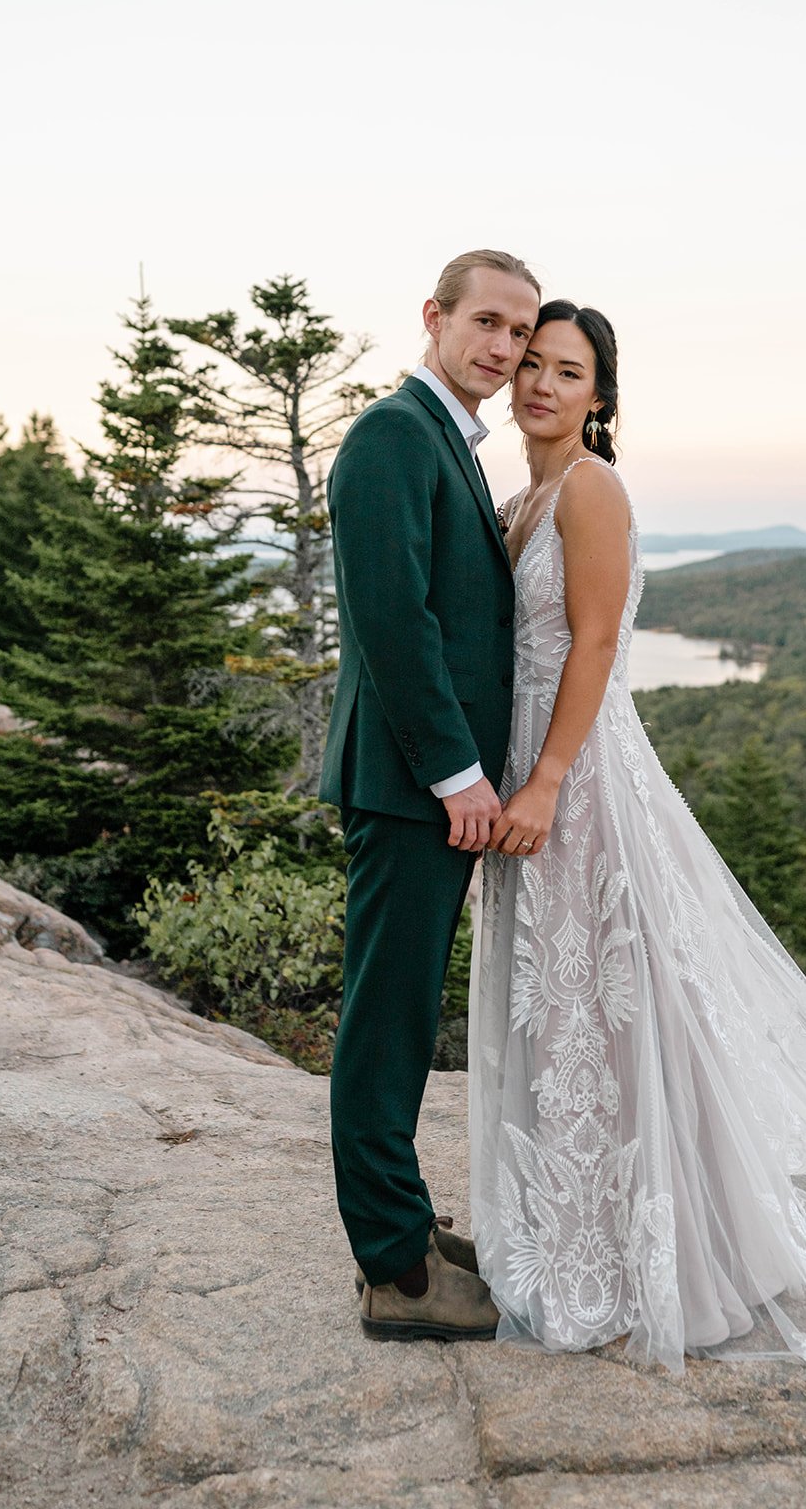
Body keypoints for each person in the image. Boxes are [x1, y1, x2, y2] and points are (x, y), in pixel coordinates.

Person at [469, 299, 806, 1435]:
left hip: (576, 783)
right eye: (530, 364)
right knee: (571, 1013)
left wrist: (548, 779)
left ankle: (652, 1265)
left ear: (599, 398)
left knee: (609, 1010)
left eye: (567, 372)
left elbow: (601, 643)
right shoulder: (518, 498)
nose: (540, 385)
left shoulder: (592, 490)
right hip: (529, 772)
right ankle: (584, 1238)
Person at [320, 248, 541, 1341]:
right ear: (436, 317)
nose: (502, 349)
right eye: (486, 324)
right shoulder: (389, 436)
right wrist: (458, 775)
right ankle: (394, 1272)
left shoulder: (443, 440)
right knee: (385, 1020)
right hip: (410, 787)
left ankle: (401, 1220)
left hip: (426, 789)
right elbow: (392, 623)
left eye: (518, 332)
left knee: (404, 1014)